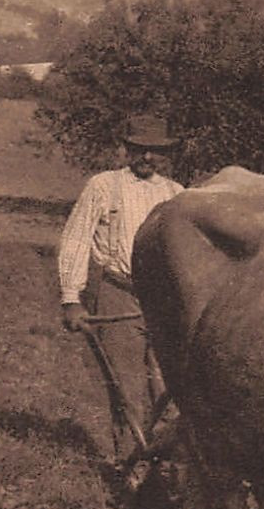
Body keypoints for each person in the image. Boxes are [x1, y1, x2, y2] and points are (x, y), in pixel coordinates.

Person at [58, 115, 184, 479]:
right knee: (126, 384)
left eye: (155, 151)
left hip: (165, 301)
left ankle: (170, 467)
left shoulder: (176, 194)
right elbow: (76, 239)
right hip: (119, 293)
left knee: (170, 386)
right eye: (140, 149)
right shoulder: (103, 186)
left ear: (165, 155)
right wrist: (71, 297)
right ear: (127, 149)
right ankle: (131, 467)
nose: (147, 157)